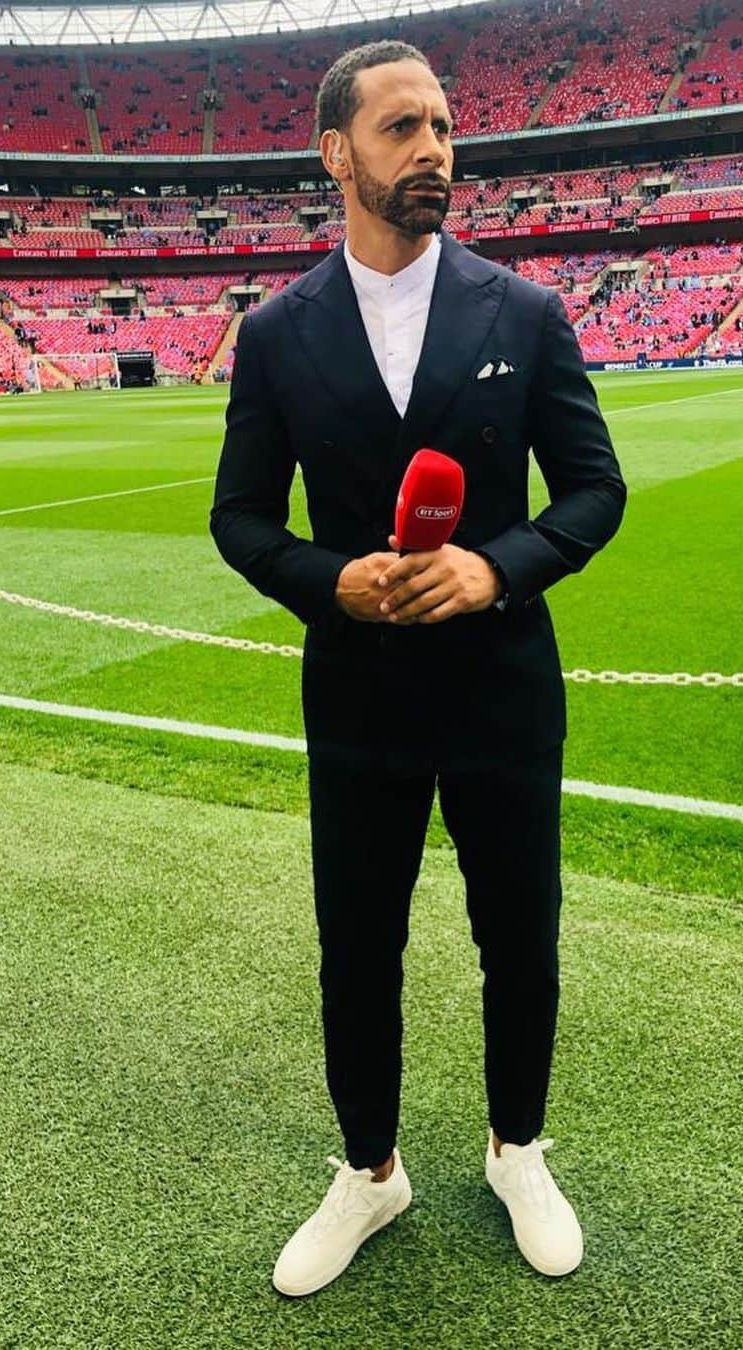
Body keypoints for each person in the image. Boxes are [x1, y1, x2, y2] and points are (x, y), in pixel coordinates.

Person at [210, 39, 626, 1298]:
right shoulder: (277, 333)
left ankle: (517, 1148)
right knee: (359, 947)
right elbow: (241, 518)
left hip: (502, 686)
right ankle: (368, 1173)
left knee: (522, 936)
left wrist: (497, 567)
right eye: (403, 127)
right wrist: (325, 578)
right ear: (337, 154)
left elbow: (596, 492)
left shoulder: (526, 311)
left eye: (444, 124)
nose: (435, 148)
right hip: (357, 696)